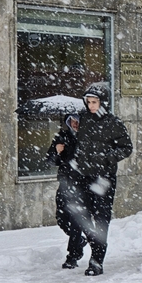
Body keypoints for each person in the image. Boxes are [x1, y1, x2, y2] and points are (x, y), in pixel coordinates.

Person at [67, 84, 132, 275]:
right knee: (83, 216)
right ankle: (94, 244)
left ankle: (96, 261)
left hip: (104, 178)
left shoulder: (113, 122)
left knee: (101, 219)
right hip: (84, 176)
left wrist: (107, 158)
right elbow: (80, 144)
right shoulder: (83, 120)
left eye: (94, 102)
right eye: (88, 102)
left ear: (103, 102)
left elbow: (126, 147)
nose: (91, 106)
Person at [46, 114, 86, 268]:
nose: (75, 124)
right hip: (65, 183)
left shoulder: (88, 137)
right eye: (72, 121)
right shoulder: (62, 136)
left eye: (77, 121)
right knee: (61, 218)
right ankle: (79, 241)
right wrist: (56, 151)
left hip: (82, 184)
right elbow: (50, 160)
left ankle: (73, 256)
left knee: (76, 219)